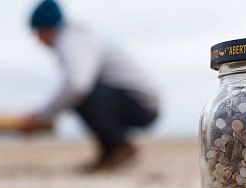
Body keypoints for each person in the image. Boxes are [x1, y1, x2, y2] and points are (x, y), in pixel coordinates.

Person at [20, 0, 159, 172]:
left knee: (81, 96)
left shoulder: (74, 41)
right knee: (82, 96)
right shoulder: (75, 38)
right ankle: (109, 153)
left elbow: (77, 85)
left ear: (46, 28)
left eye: (37, 32)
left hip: (142, 104)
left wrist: (42, 116)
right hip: (132, 99)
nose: (38, 40)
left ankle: (119, 147)